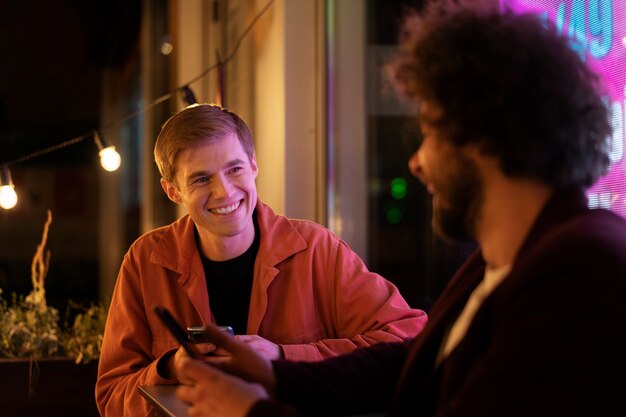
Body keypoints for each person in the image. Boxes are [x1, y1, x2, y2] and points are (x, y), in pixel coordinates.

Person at [173, 3, 626, 417]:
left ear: (485, 138)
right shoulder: (504, 260)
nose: (416, 161)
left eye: (429, 133)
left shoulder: (585, 271)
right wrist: (276, 375)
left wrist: (252, 413)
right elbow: (415, 364)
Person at [95, 104, 427, 416]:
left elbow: (409, 338)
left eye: (234, 169)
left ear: (254, 165)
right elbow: (111, 396)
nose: (224, 192)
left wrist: (282, 357)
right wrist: (169, 369)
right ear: (173, 191)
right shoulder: (145, 261)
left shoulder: (316, 249)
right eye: (201, 179)